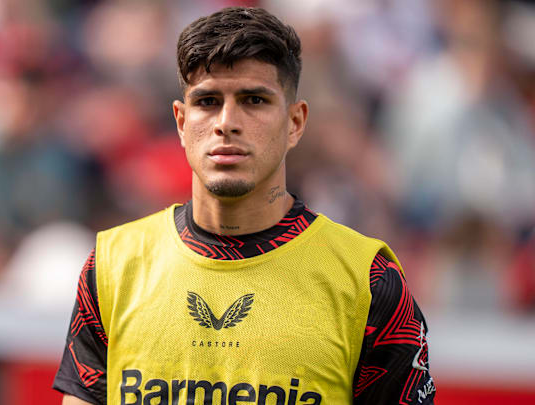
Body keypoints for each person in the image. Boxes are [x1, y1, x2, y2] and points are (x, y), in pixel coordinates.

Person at [53, 7, 434, 405]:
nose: (227, 122)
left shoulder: (368, 281)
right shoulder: (113, 265)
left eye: (254, 100)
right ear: (181, 122)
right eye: (207, 101)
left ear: (295, 123)